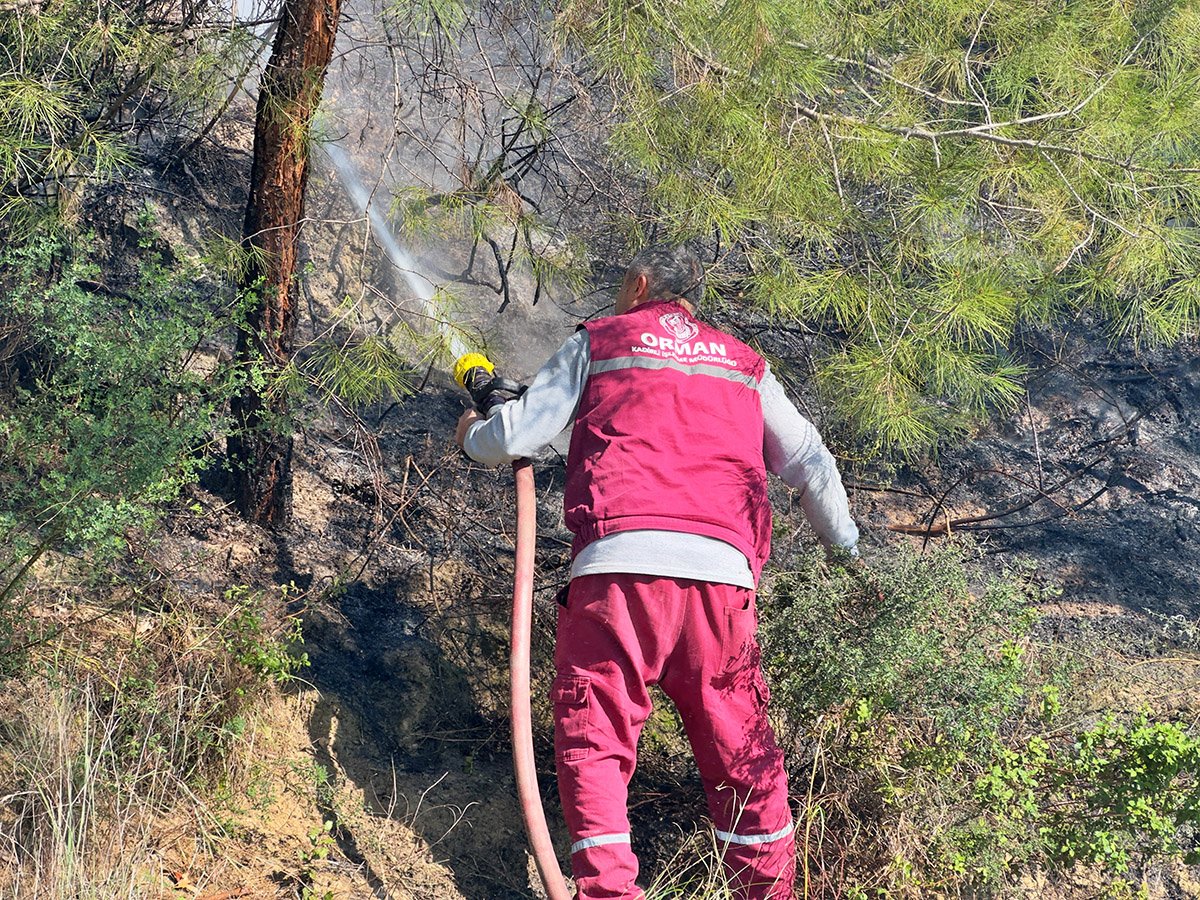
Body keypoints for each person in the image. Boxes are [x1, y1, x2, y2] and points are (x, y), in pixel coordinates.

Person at [454, 245, 860, 900]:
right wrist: (848, 548)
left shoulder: (603, 339)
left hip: (619, 575)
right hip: (723, 586)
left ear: (641, 285)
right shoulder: (744, 364)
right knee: (742, 758)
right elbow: (811, 462)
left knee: (598, 744)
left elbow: (514, 438)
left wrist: (473, 432)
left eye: (620, 286)